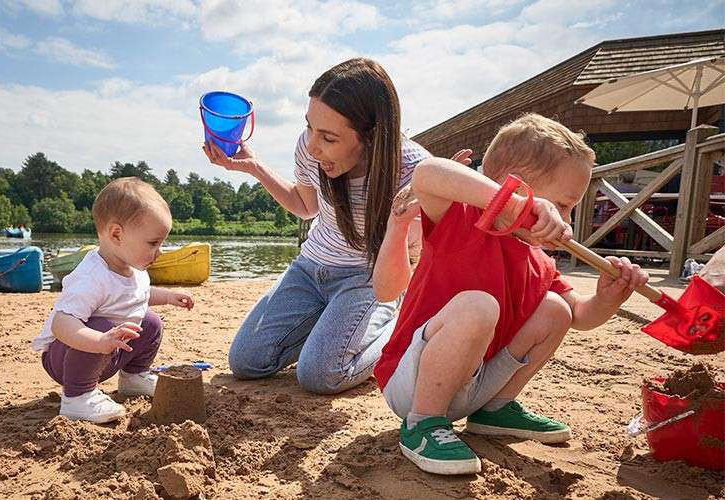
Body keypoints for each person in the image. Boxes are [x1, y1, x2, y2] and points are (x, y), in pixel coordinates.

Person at [372, 114, 649, 475]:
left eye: (571, 209)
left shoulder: (539, 261)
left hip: (473, 388)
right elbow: (427, 173)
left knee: (556, 311)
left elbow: (580, 316)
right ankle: (422, 425)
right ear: (513, 187)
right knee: (479, 305)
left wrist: (608, 299)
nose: (566, 220)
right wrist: (514, 206)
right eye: (561, 205)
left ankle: (495, 410)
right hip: (412, 386)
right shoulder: (462, 220)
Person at [202, 58, 466, 394]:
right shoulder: (309, 147)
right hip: (310, 269)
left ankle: (395, 328)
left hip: (366, 279)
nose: (312, 145)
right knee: (247, 362)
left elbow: (424, 260)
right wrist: (253, 168)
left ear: (371, 137)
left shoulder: (414, 169)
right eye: (309, 126)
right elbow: (304, 206)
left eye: (328, 137)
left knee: (321, 375)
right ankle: (331, 327)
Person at [31, 177, 194, 423]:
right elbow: (62, 323)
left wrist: (169, 297)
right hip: (66, 357)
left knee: (150, 322)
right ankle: (77, 397)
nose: (159, 252)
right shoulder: (92, 276)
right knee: (104, 325)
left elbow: (138, 296)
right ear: (117, 234)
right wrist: (99, 340)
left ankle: (133, 377)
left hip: (109, 351)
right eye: (153, 243)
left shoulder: (135, 268)